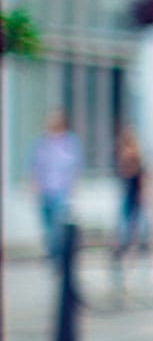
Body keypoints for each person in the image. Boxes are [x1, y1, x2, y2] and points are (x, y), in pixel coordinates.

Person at [32, 109, 82, 261]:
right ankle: (52, 252)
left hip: (61, 189)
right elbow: (35, 165)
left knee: (57, 225)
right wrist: (34, 185)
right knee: (47, 224)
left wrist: (73, 186)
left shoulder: (69, 142)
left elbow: (75, 165)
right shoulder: (42, 142)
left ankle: (58, 254)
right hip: (45, 189)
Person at [115, 127, 149, 258]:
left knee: (135, 219)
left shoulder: (133, 153)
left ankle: (138, 243)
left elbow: (140, 173)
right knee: (126, 219)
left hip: (134, 189)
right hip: (128, 189)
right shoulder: (126, 153)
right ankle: (124, 244)